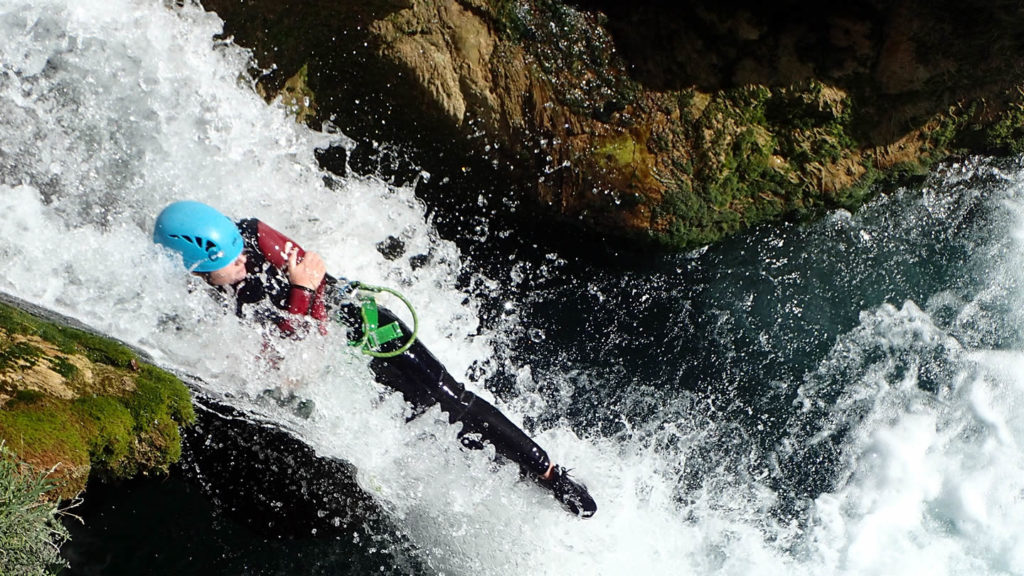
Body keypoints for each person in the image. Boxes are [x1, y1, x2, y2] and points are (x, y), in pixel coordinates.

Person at [153, 200, 597, 518]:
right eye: (229, 263)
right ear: (194, 269)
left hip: (364, 322)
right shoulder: (210, 303)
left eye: (238, 251)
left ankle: (550, 473)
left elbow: (313, 284)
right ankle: (504, 469)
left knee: (451, 399)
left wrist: (303, 296)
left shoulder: (249, 234)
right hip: (339, 364)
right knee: (424, 427)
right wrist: (301, 296)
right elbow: (282, 357)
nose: (243, 262)